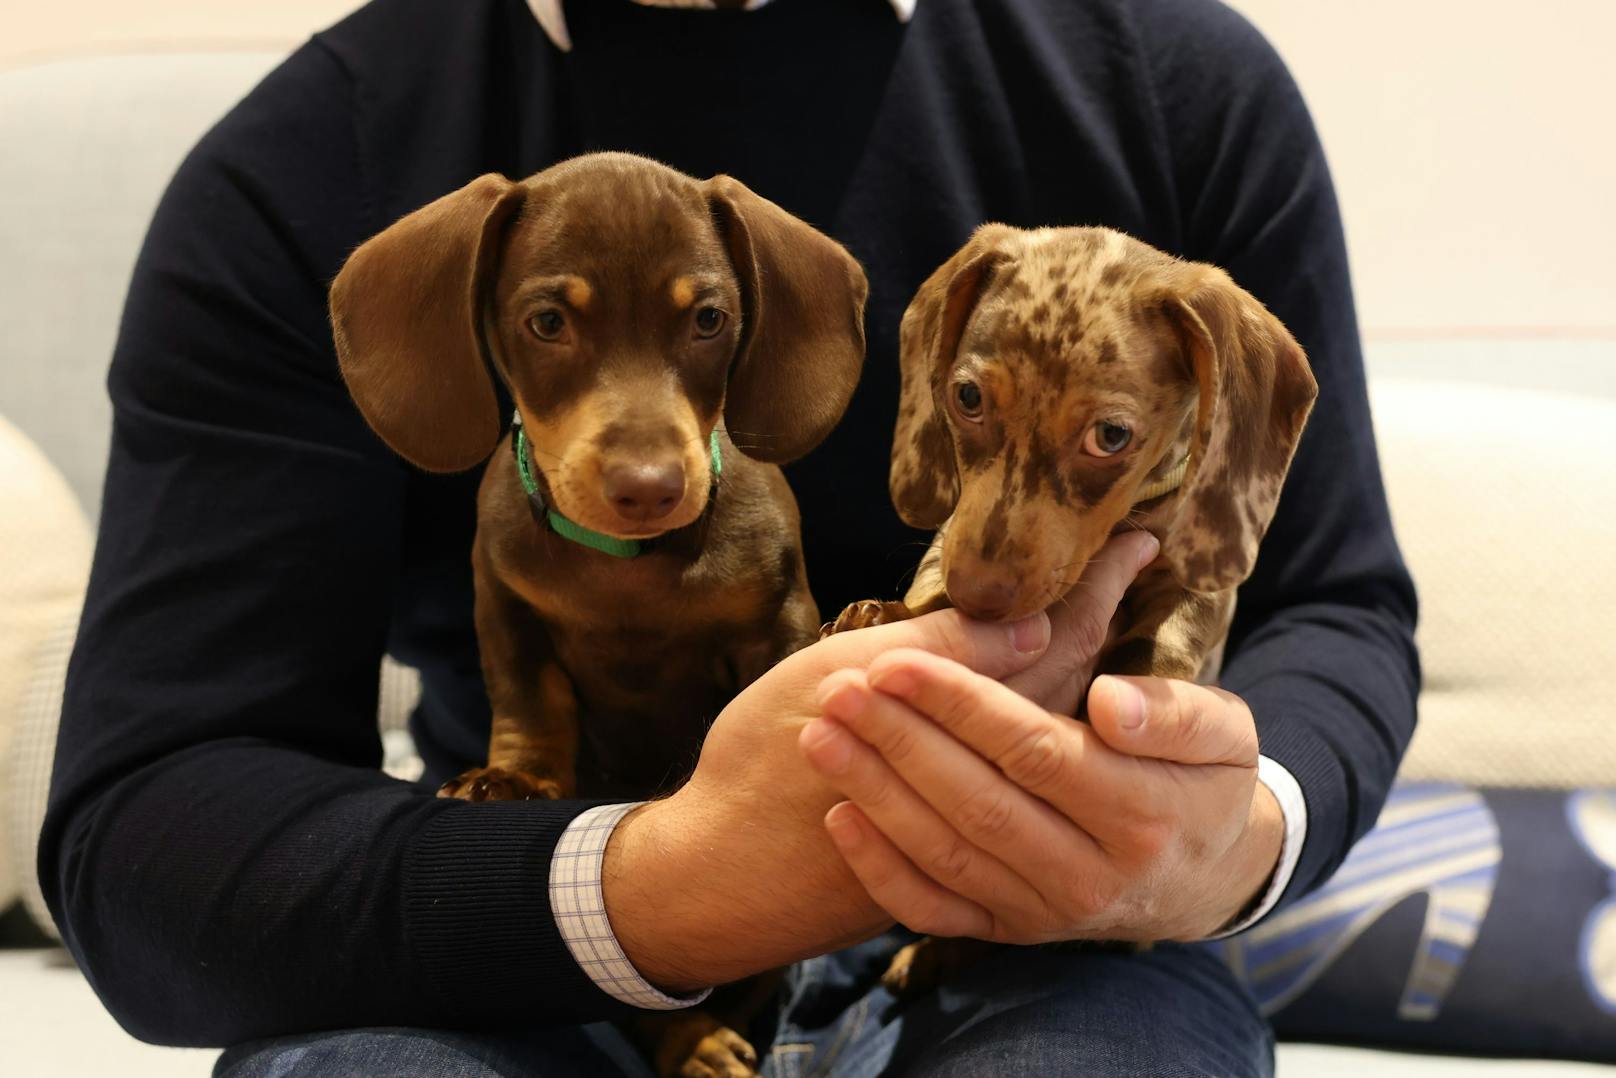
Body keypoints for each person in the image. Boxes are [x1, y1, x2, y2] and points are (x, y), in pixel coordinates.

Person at [39, 1, 1418, 1074]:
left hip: (1051, 945)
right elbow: (150, 828)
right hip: (512, 954)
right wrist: (653, 886)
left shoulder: (1174, 92)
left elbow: (1332, 601)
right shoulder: (304, 169)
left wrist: (1237, 830)